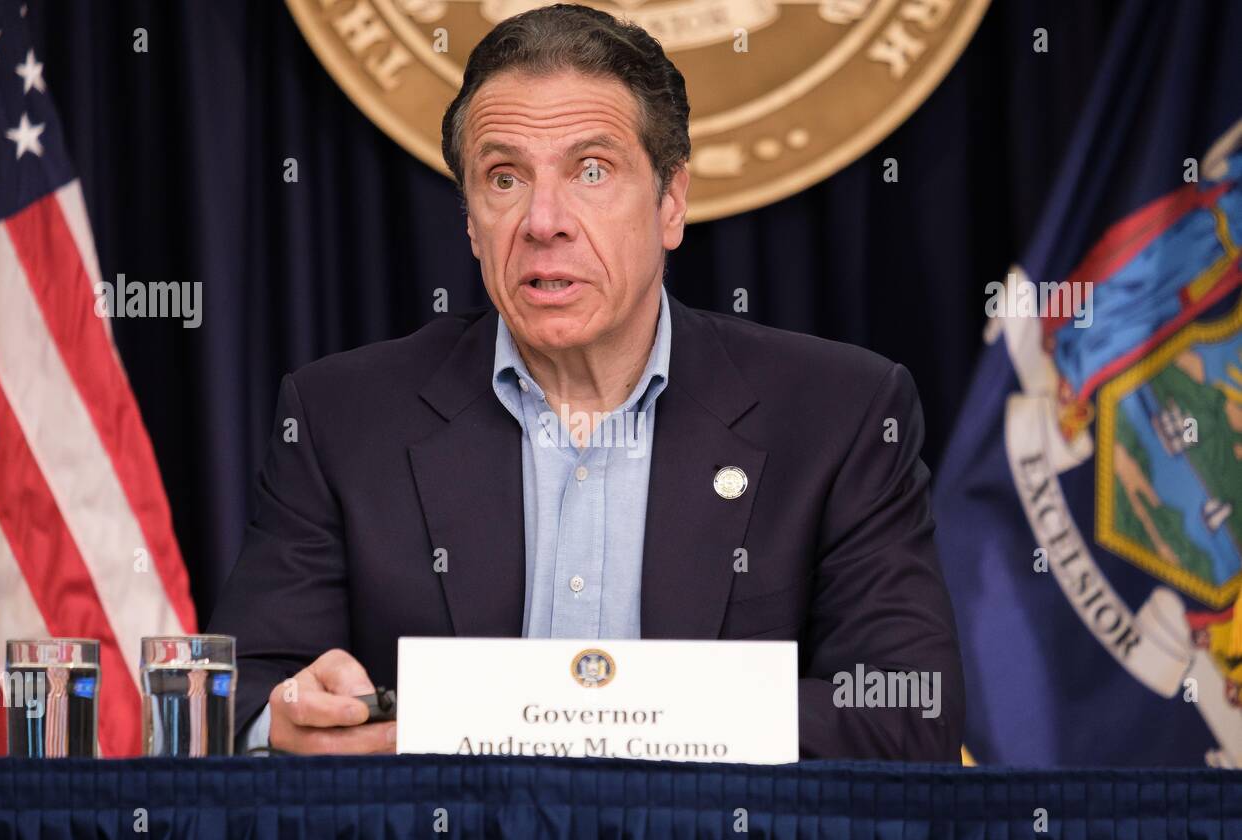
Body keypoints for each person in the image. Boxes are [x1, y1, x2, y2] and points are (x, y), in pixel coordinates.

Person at [209, 3, 965, 761]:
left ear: (672, 202)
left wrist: (617, 717)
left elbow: (909, 711)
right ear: (472, 221)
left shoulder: (840, 414)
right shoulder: (343, 418)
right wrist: (284, 724)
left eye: (591, 170)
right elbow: (241, 690)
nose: (543, 221)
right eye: (504, 177)